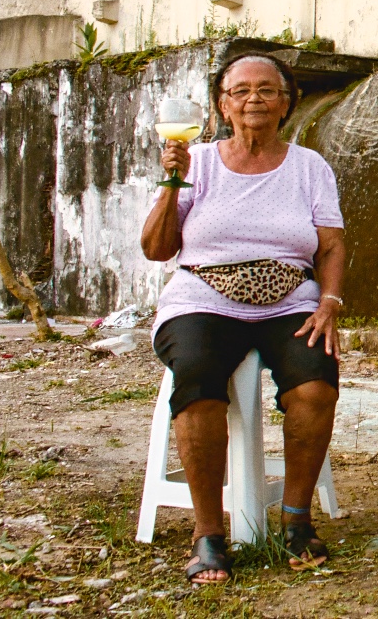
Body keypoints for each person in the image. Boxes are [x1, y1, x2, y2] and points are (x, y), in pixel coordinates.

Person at [141, 52, 345, 584]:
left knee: (315, 383)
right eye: (240, 91)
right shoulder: (196, 162)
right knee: (198, 378)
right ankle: (209, 533)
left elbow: (330, 245)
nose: (254, 99)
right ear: (222, 105)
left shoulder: (309, 167)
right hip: (203, 297)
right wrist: (172, 183)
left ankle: (296, 520)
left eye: (267, 90)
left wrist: (329, 302)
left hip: (289, 298)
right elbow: (157, 249)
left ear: (286, 104)